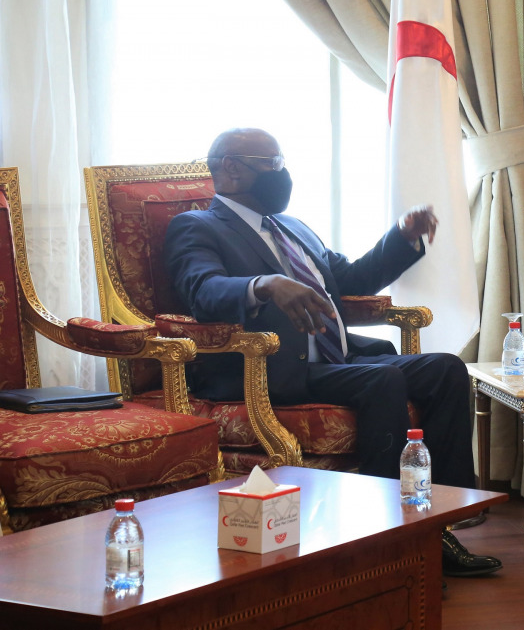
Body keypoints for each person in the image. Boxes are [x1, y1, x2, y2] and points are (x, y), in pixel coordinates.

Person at [165, 128, 501, 578]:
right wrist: (263, 285)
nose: (282, 174)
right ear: (230, 168)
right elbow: (201, 291)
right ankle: (387, 543)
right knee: (384, 379)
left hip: (333, 359)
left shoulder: (294, 228)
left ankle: (440, 521)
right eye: (272, 164)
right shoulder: (197, 226)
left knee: (445, 368)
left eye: (283, 162)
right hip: (268, 367)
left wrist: (401, 237)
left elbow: (353, 280)